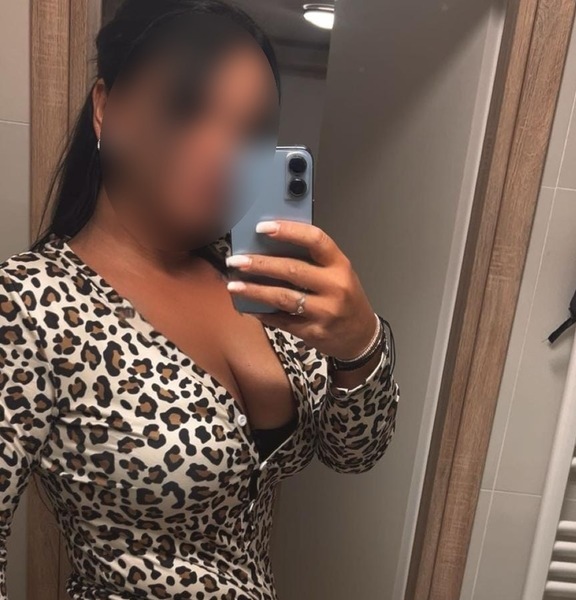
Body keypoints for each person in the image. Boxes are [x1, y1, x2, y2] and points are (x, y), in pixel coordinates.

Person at [0, 1, 400, 598]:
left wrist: (358, 344)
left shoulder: (252, 276)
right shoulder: (27, 304)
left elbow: (354, 450)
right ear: (106, 108)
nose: (221, 149)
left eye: (252, 131)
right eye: (186, 107)